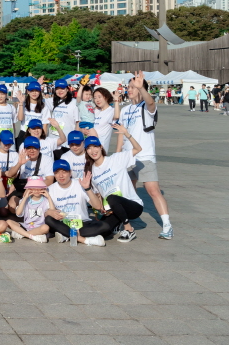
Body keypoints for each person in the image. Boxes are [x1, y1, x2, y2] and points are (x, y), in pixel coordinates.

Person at [117, 71, 172, 239]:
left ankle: (167, 225)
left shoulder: (146, 108)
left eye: (133, 87)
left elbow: (151, 103)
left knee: (153, 190)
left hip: (144, 156)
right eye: (129, 87)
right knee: (128, 191)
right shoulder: (126, 110)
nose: (130, 89)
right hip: (128, 156)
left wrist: (143, 89)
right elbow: (121, 133)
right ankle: (127, 224)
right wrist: (118, 154)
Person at [85, 131, 144, 242]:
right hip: (113, 210)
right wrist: (100, 213)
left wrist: (127, 134)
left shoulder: (116, 159)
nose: (93, 151)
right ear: (86, 152)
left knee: (112, 198)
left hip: (133, 206)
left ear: (101, 147)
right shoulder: (92, 172)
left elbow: (138, 149)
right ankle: (117, 223)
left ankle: (129, 229)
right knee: (103, 230)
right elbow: (99, 196)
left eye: (95, 146)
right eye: (89, 148)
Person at [45, 158, 110, 246]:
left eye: (64, 172)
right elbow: (44, 212)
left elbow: (98, 206)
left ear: (70, 172)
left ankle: (66, 235)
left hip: (82, 223)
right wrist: (50, 212)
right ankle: (84, 240)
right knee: (48, 219)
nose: (61, 175)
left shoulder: (79, 184)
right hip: (64, 223)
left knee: (105, 227)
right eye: (57, 172)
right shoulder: (50, 189)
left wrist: (87, 188)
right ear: (54, 174)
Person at [5, 136, 55, 213]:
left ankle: (33, 215)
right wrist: (19, 163)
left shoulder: (47, 160)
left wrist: (33, 188)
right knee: (12, 206)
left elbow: (50, 180)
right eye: (28, 148)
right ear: (24, 149)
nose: (31, 151)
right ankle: (29, 214)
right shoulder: (20, 157)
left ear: (39, 148)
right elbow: (10, 174)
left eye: (34, 148)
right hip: (22, 188)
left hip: (39, 190)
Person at [6, 176, 53, 243]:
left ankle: (22, 234)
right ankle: (31, 236)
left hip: (39, 227)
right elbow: (18, 213)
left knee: (45, 228)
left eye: (39, 188)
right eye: (33, 188)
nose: (36, 190)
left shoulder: (46, 200)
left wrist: (49, 197)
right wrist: (25, 198)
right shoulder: (25, 200)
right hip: (26, 226)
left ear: (43, 188)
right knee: (8, 222)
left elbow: (53, 211)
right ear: (29, 189)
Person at [45, 78, 80, 151]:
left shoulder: (74, 103)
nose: (60, 91)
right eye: (57, 89)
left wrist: (75, 140)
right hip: (53, 140)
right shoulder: (52, 101)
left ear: (67, 89)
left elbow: (78, 122)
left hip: (67, 141)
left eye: (62, 88)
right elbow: (37, 100)